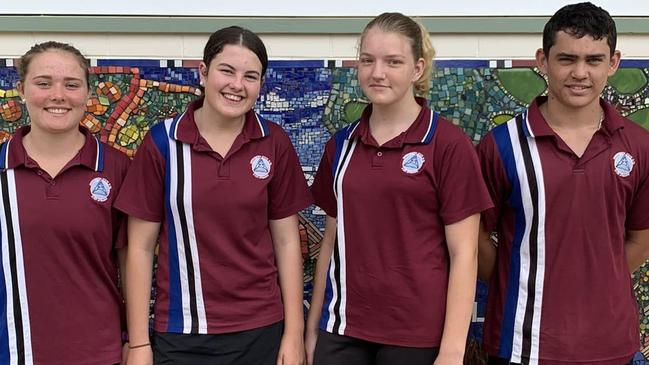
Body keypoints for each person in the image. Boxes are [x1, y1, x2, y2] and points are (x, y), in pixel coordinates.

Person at [116, 26, 311, 365]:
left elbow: (287, 242)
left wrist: (293, 335)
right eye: (227, 71)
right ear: (203, 73)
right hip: (181, 333)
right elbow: (141, 248)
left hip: (261, 329)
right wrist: (138, 344)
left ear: (261, 85)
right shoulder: (163, 143)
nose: (238, 85)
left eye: (251, 76)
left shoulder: (274, 142)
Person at [305, 12, 492, 365]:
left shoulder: (448, 145)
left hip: (416, 335)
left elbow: (465, 254)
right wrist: (313, 329)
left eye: (393, 62)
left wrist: (452, 350)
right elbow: (330, 243)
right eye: (367, 60)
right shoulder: (341, 145)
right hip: (342, 329)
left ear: (418, 68)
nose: (378, 72)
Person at [477, 3, 649, 364]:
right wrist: (518, 281)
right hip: (522, 345)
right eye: (567, 59)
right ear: (543, 60)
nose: (580, 73)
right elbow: (472, 238)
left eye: (594, 60)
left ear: (613, 63)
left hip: (611, 345)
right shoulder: (502, 145)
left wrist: (595, 277)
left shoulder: (638, 145)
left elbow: (641, 239)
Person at [0, 41, 130, 364]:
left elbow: (131, 262)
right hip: (14, 352)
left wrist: (135, 339)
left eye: (71, 85)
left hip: (99, 353)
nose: (58, 95)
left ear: (88, 94)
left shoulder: (116, 168)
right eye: (43, 83)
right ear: (21, 90)